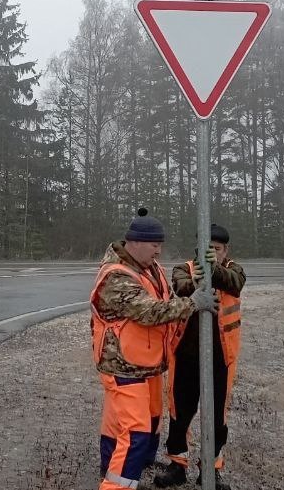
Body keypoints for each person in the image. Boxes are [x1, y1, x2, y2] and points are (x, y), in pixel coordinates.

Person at [91, 208, 218, 490]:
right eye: (154, 245)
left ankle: (135, 464)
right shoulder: (116, 276)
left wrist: (192, 289)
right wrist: (194, 303)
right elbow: (150, 311)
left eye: (160, 245)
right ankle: (116, 485)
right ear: (134, 242)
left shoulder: (150, 267)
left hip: (146, 362)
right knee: (135, 431)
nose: (159, 251)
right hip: (123, 366)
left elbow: (166, 298)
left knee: (146, 420)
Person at [154, 224, 245, 490]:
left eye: (217, 249)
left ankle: (211, 470)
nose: (212, 253)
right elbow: (181, 288)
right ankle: (177, 465)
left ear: (225, 250)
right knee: (179, 413)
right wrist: (199, 277)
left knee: (217, 418)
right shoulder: (184, 269)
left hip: (220, 359)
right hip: (186, 356)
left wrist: (213, 269)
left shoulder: (234, 270)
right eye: (207, 248)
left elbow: (235, 284)